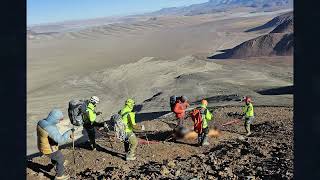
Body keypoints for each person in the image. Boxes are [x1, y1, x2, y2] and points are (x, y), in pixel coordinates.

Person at [37, 109, 74, 180]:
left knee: (55, 157)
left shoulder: (41, 122)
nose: (59, 121)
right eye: (59, 120)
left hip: (43, 145)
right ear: (54, 118)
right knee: (60, 159)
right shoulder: (50, 128)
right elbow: (60, 140)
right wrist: (69, 132)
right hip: (49, 149)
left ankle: (55, 164)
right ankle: (59, 176)